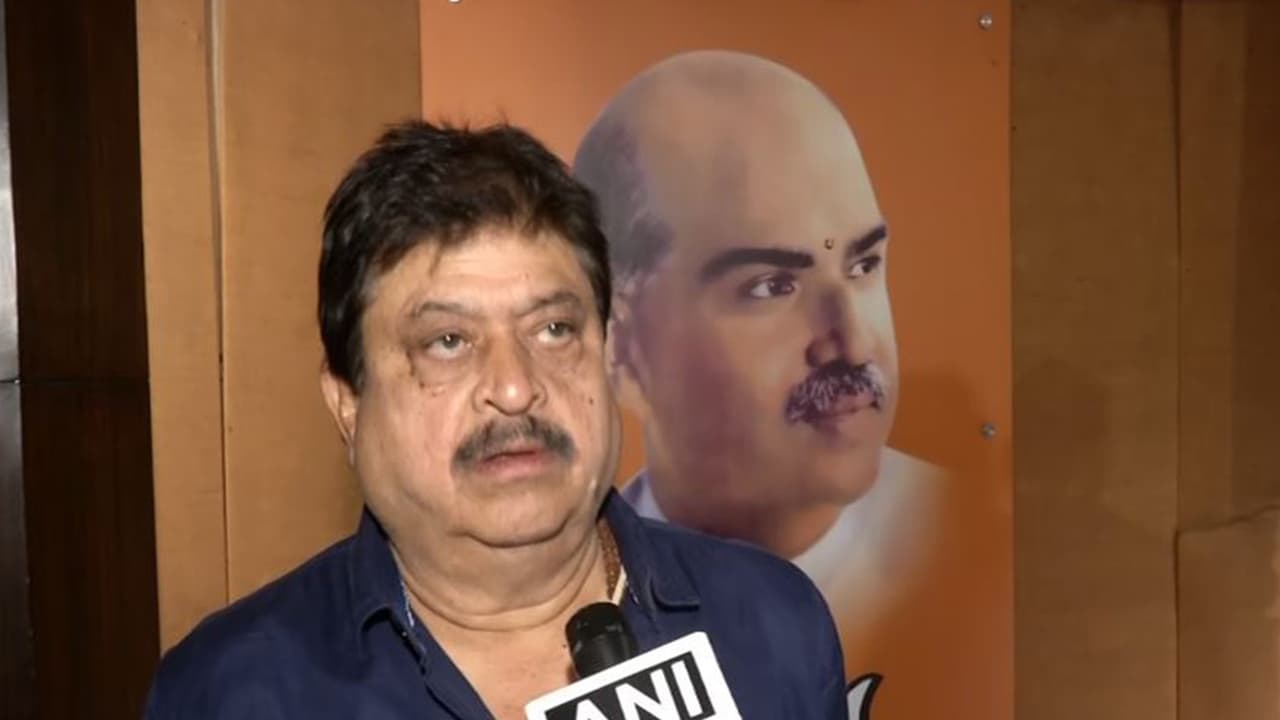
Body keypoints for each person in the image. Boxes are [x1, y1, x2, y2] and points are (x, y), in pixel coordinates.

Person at [144, 120, 846, 718]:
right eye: (448, 341)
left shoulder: (770, 623)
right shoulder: (232, 690)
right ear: (347, 404)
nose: (515, 389)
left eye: (554, 330)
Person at [573, 50, 946, 638]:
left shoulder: (957, 536)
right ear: (618, 343)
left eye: (863, 265)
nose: (852, 343)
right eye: (773, 286)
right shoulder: (574, 605)